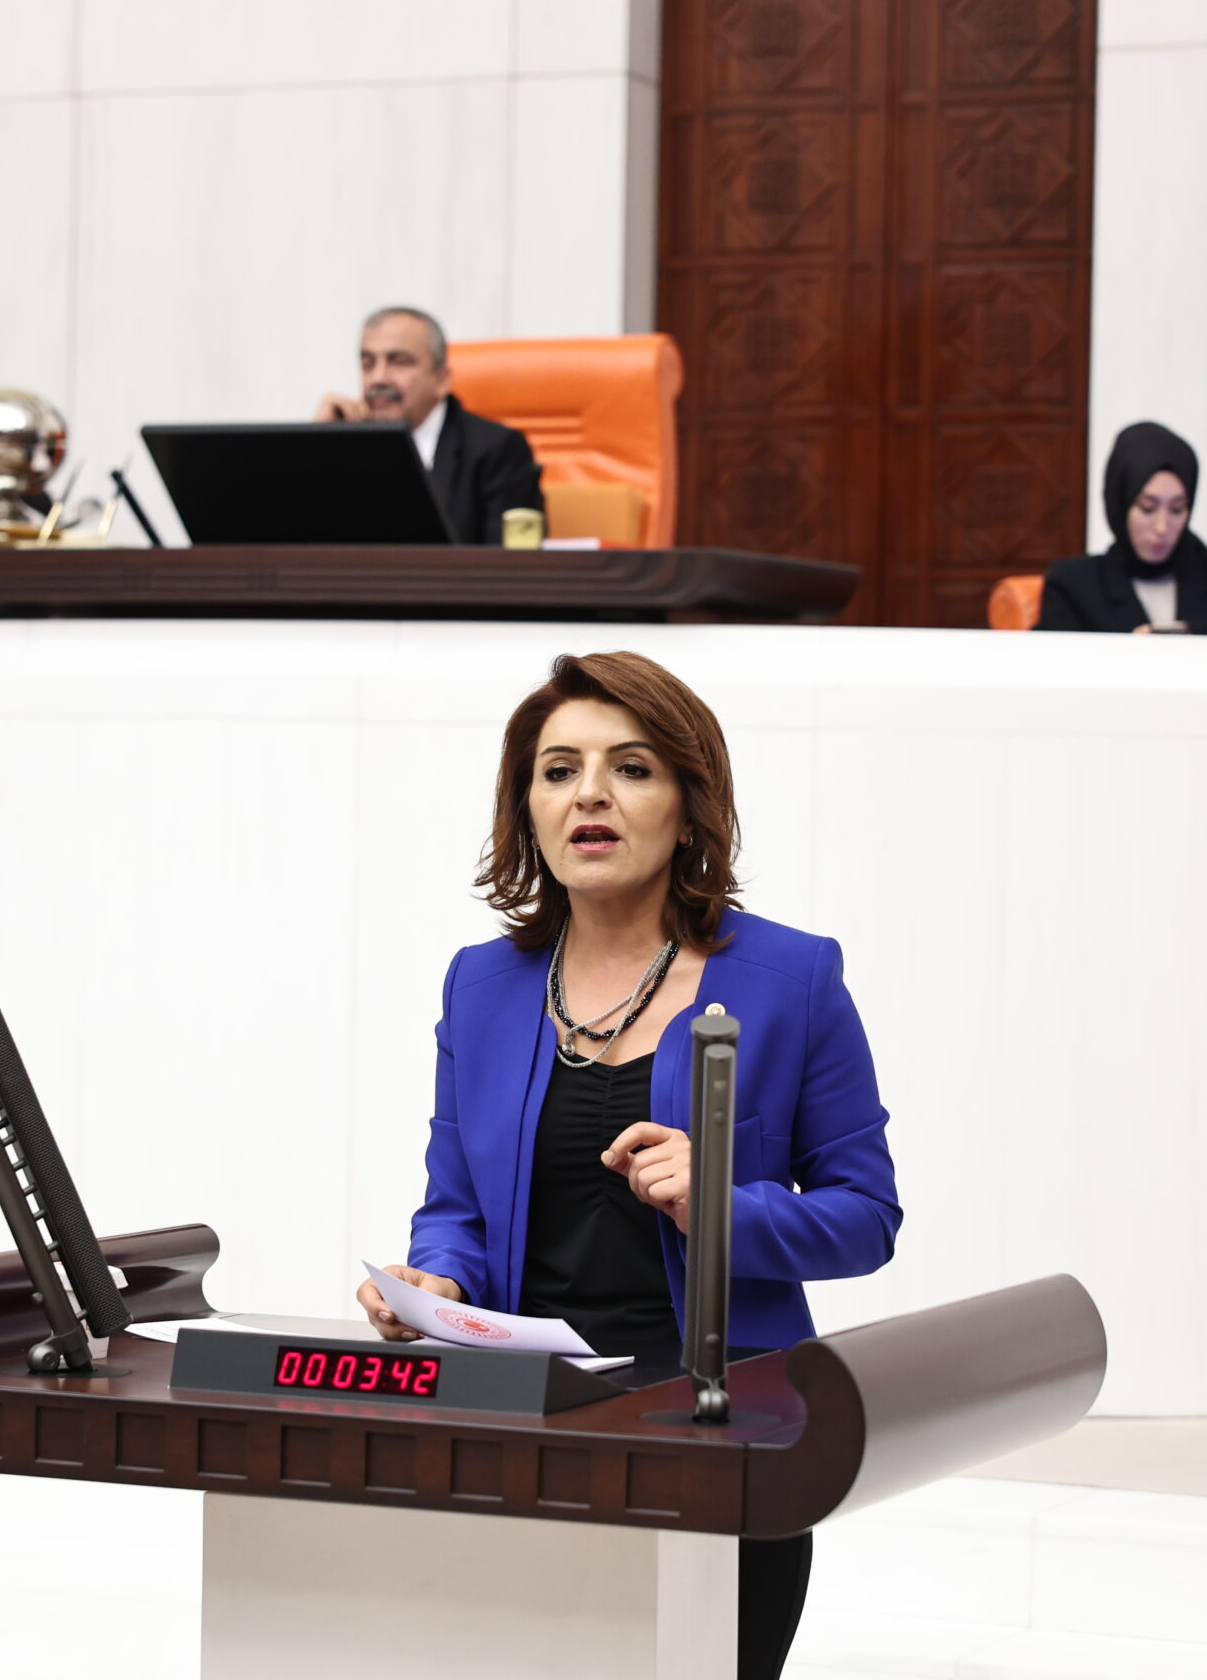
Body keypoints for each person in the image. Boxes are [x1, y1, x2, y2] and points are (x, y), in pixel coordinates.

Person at [352, 651, 901, 1680]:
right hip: (528, 1427)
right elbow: (456, 1205)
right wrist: (438, 1282)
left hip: (724, 1435)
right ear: (528, 809)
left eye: (631, 767)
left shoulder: (792, 977)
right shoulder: (481, 984)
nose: (589, 794)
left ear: (689, 807)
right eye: (559, 770)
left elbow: (867, 1216)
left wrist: (722, 1205)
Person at [314, 305, 544, 547]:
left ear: (442, 380)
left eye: (399, 362)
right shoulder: (349, 444)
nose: (378, 378)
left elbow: (508, 563)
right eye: (368, 364)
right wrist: (319, 449)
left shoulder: (497, 450)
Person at [1036, 422, 1207, 633]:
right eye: (1147, 508)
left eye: (1177, 509)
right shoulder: (1073, 587)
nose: (1162, 527)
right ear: (1120, 504)